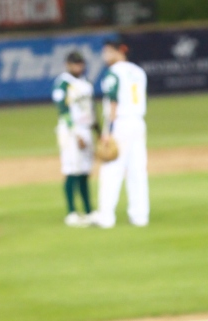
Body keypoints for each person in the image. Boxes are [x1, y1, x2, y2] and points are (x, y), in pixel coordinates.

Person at [92, 39, 149, 228]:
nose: (105, 56)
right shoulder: (138, 71)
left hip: (120, 123)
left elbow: (113, 100)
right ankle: (140, 216)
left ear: (118, 52)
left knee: (111, 170)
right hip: (138, 121)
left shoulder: (113, 72)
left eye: (107, 52)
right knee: (137, 170)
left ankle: (106, 217)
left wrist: (108, 131)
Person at [52, 51, 96, 227]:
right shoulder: (63, 83)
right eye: (75, 64)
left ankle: (89, 211)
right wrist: (75, 133)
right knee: (72, 170)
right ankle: (71, 213)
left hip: (86, 129)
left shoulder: (85, 83)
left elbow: (91, 109)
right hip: (70, 131)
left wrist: (99, 132)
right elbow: (62, 109)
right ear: (68, 64)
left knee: (85, 171)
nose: (79, 66)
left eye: (81, 63)